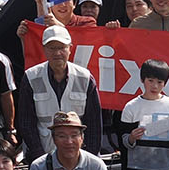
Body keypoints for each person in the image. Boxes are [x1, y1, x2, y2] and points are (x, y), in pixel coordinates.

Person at [17, 25, 104, 160]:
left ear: (70, 49)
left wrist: (89, 158)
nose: (57, 53)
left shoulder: (85, 78)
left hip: (79, 156)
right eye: (52, 48)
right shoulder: (31, 77)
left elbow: (94, 124)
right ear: (44, 49)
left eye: (62, 48)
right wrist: (40, 158)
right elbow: (26, 123)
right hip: (43, 154)